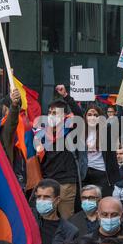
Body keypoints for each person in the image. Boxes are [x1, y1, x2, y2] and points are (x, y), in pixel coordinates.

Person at [36, 85, 83, 219]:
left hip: (66, 183)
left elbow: (79, 115)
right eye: (50, 112)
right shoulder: (42, 134)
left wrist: (66, 96)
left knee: (66, 219)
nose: (51, 115)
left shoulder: (71, 131)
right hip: (47, 182)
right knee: (47, 219)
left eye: (55, 113)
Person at [32, 179, 78, 244]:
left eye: (46, 197)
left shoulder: (70, 231)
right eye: (39, 197)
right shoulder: (29, 221)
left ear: (57, 200)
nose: (41, 201)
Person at [79, 105, 120, 197]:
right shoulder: (80, 131)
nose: (92, 117)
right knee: (87, 202)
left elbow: (121, 119)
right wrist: (66, 96)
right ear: (85, 117)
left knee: (104, 203)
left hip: (102, 173)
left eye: (95, 115)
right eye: (89, 114)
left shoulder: (107, 130)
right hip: (85, 173)